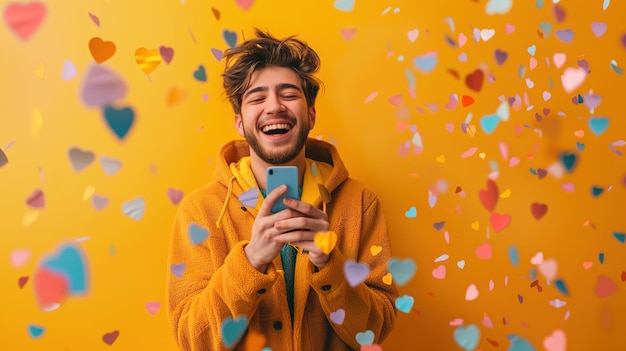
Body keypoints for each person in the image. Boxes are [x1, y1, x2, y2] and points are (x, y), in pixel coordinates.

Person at [166, 28, 398, 351]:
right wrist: (250, 261)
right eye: (257, 97)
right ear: (239, 121)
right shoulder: (199, 212)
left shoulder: (360, 204)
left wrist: (328, 262)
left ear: (311, 114)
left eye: (288, 94)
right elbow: (195, 342)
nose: (274, 106)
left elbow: (374, 333)